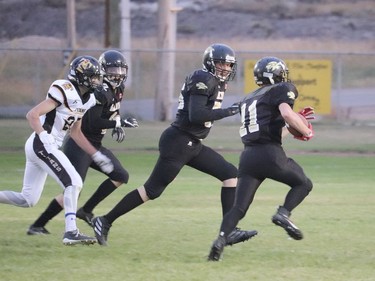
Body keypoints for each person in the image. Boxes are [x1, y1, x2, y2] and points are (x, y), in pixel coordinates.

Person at [92, 43, 258, 246]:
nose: (225, 68)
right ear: (210, 63)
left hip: (192, 143)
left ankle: (229, 231)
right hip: (179, 141)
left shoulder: (215, 81)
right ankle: (105, 220)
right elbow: (196, 115)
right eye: (221, 63)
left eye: (229, 65)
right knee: (151, 190)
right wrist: (229, 111)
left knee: (231, 175)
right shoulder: (202, 78)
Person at [208, 56, 315, 261]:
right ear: (275, 74)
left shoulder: (250, 97)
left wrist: (295, 122)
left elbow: (273, 129)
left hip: (249, 157)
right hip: (270, 154)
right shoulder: (282, 89)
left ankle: (220, 241)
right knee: (304, 184)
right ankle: (283, 213)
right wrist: (305, 130)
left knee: (239, 207)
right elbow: (286, 114)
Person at [0, 56, 115, 245]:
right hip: (43, 142)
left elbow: (76, 133)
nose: (96, 81)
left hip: (44, 144)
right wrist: (43, 135)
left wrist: (95, 154)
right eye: (93, 77)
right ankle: (71, 232)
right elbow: (33, 115)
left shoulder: (86, 100)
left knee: (28, 199)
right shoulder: (65, 89)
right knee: (74, 182)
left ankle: (70, 232)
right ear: (81, 76)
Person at [26, 50, 139, 236]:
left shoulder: (118, 88)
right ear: (102, 70)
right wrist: (117, 123)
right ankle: (38, 224)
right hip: (80, 144)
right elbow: (93, 122)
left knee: (120, 175)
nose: (117, 74)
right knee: (73, 190)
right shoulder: (98, 91)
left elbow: (113, 110)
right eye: (112, 70)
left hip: (94, 144)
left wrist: (117, 122)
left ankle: (86, 211)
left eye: (120, 69)